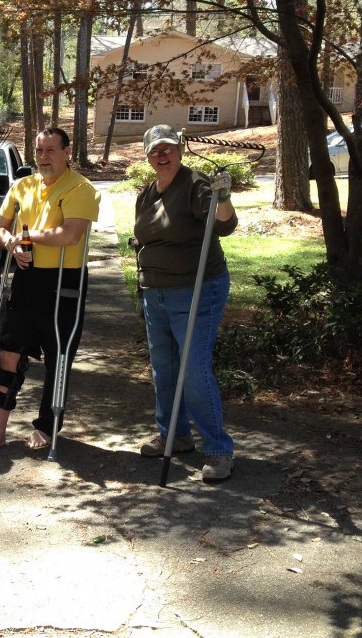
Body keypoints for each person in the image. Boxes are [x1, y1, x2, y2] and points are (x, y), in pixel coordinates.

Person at [0, 127, 100, 452]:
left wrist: (28, 237)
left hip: (64, 281)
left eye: (51, 150)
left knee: (59, 355)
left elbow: (70, 235)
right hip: (27, 279)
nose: (44, 157)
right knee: (9, 352)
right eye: (39, 151)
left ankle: (47, 426)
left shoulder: (81, 188)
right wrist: (11, 242)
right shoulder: (22, 185)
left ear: (67, 152)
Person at [133, 124, 237, 482]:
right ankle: (174, 435)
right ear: (147, 157)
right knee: (165, 369)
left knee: (193, 369)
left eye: (167, 149)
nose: (162, 156)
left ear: (178, 150)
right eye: (155, 151)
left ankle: (219, 450)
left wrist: (222, 197)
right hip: (155, 292)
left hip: (196, 288)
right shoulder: (147, 193)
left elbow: (223, 225)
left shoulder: (196, 185)